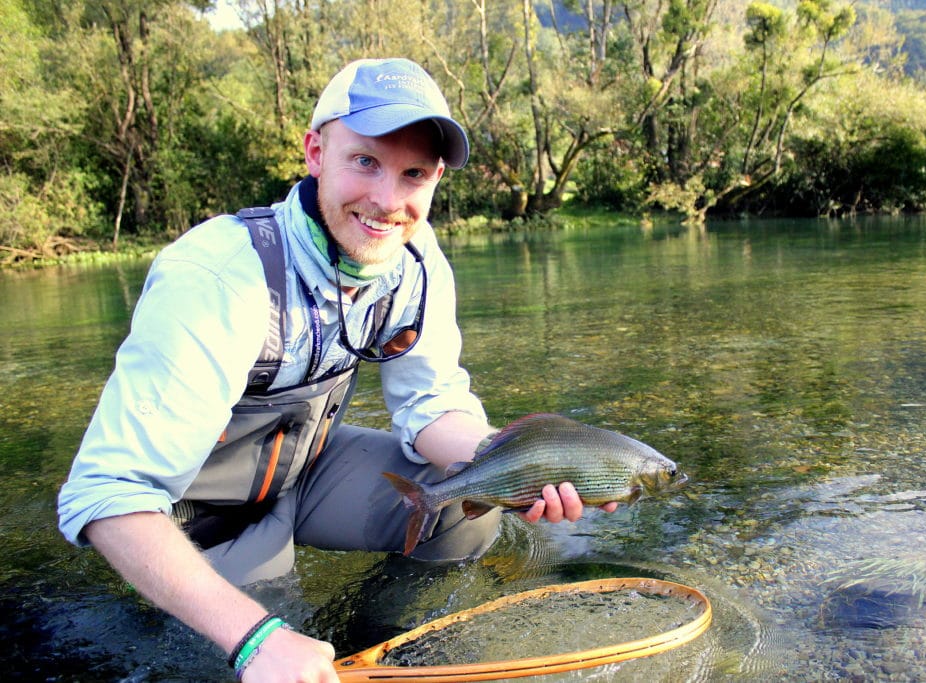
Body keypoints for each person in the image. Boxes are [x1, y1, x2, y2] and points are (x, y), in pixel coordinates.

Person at [57, 57, 615, 682]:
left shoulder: (415, 261)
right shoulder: (219, 278)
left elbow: (429, 405)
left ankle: (378, 641)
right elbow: (105, 495)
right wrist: (256, 641)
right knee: (265, 636)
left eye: (414, 175)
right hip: (204, 514)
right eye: (365, 162)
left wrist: (515, 462)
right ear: (316, 151)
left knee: (461, 509)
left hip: (306, 466)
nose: (387, 200)